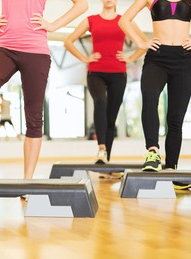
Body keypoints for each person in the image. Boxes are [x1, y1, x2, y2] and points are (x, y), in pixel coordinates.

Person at [0, 0, 88, 181]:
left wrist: (53, 25)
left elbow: (81, 5)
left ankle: (27, 180)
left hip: (36, 50)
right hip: (4, 46)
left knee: (34, 115)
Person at [119, 0, 191, 189]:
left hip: (183, 59)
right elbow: (124, 20)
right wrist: (141, 42)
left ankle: (172, 169)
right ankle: (152, 152)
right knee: (149, 99)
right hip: (156, 57)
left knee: (175, 118)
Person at [64, 0, 146, 164]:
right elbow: (68, 41)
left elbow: (143, 43)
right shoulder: (91, 20)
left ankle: (105, 159)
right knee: (100, 102)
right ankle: (101, 148)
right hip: (96, 72)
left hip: (118, 73)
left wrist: (130, 58)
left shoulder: (124, 21)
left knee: (111, 117)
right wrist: (85, 58)